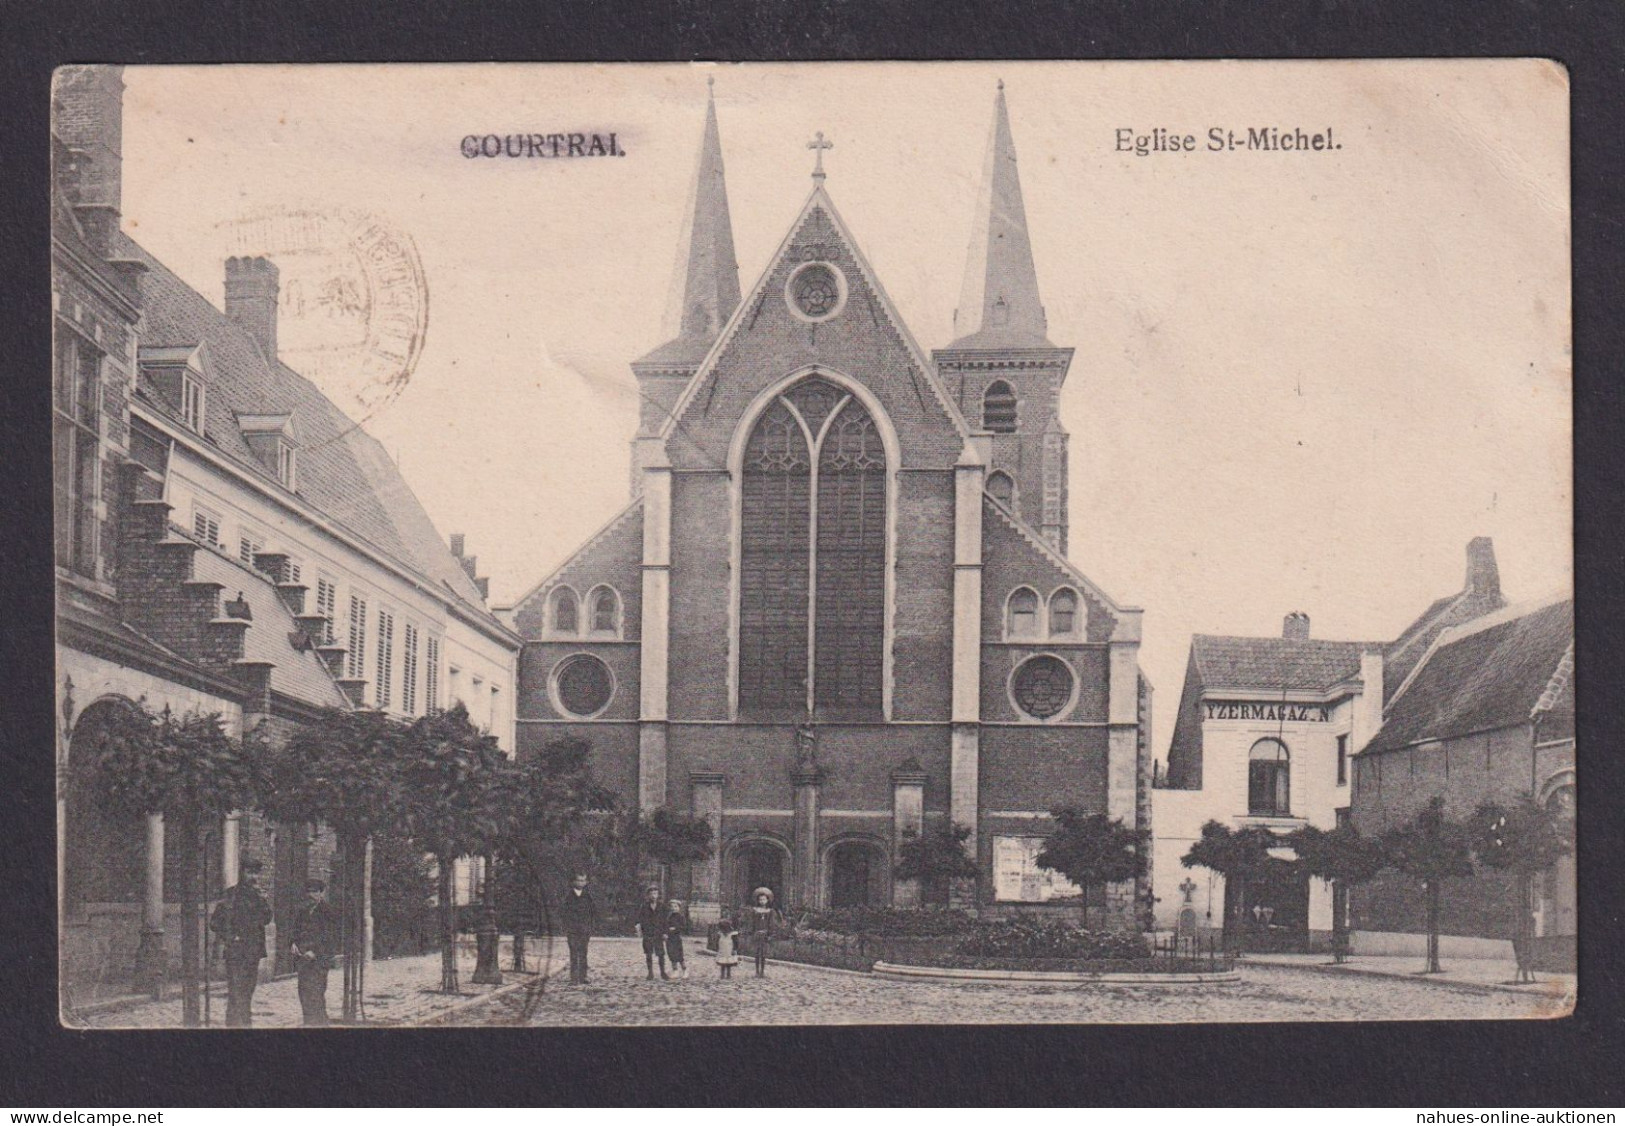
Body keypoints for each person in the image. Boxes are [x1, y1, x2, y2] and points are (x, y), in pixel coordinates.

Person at [210, 857, 272, 1027]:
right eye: (250, 872)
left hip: (253, 951)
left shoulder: (258, 896)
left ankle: (240, 1024)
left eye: (256, 873)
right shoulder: (231, 895)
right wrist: (230, 937)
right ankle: (240, 1025)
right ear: (242, 873)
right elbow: (215, 922)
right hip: (236, 951)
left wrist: (262, 899)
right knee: (237, 991)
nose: (254, 877)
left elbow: (267, 918)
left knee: (247, 990)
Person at [289, 878, 339, 1026]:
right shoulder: (303, 911)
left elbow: (330, 937)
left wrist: (315, 952)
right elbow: (295, 931)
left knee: (316, 991)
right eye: (309, 891)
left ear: (321, 893)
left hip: (319, 959)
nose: (311, 895)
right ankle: (308, 1022)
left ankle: (320, 1023)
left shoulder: (328, 912)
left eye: (315, 891)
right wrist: (293, 944)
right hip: (303, 958)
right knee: (303, 991)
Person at [559, 872, 598, 984]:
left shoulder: (588, 896)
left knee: (583, 952)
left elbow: (593, 912)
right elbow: (563, 912)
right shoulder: (568, 897)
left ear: (586, 882)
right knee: (574, 952)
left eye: (583, 880)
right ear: (574, 882)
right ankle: (574, 978)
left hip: (585, 929)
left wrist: (590, 926)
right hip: (572, 930)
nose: (581, 883)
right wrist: (566, 926)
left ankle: (583, 976)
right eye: (579, 880)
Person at [747, 887, 782, 979]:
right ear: (758, 900)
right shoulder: (754, 911)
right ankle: (757, 971)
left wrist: (770, 933)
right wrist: (751, 931)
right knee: (757, 953)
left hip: (765, 934)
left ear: (767, 900)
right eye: (760, 899)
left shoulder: (770, 911)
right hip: (757, 934)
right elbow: (752, 922)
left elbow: (772, 923)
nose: (762, 901)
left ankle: (762, 971)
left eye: (764, 899)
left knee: (763, 954)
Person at [635, 884, 668, 980]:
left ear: (658, 895)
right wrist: (639, 929)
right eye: (651, 894)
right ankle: (650, 973)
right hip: (648, 933)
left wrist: (665, 933)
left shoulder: (662, 906)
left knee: (661, 954)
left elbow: (665, 920)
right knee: (648, 953)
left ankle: (663, 973)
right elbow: (639, 918)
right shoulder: (644, 906)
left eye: (655, 893)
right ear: (648, 895)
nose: (654, 896)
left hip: (658, 933)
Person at [664, 900, 688, 980]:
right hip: (669, 938)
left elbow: (684, 927)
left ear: (679, 908)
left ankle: (684, 970)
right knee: (671, 954)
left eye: (676, 906)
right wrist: (666, 932)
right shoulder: (669, 916)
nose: (674, 908)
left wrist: (675, 928)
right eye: (672, 907)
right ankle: (675, 971)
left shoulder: (681, 917)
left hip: (676, 938)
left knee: (679, 955)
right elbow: (665, 925)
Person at [715, 913, 740, 980]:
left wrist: (734, 949)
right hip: (722, 950)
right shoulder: (720, 934)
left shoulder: (732, 934)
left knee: (729, 963)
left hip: (729, 950)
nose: (723, 931)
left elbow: (736, 942)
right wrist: (717, 948)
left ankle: (728, 974)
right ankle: (722, 974)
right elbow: (717, 941)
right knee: (722, 963)